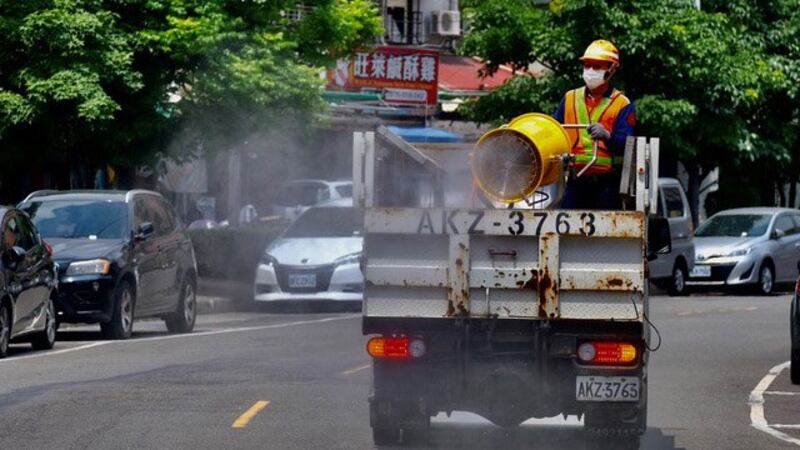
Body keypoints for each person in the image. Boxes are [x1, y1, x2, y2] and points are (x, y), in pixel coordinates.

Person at [553, 39, 636, 210]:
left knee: (605, 233)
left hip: (605, 185)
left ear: (612, 69)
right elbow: (554, 132)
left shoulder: (622, 104)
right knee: (568, 233)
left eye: (597, 67)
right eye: (587, 65)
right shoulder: (570, 98)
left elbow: (626, 144)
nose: (590, 71)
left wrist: (607, 136)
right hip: (575, 182)